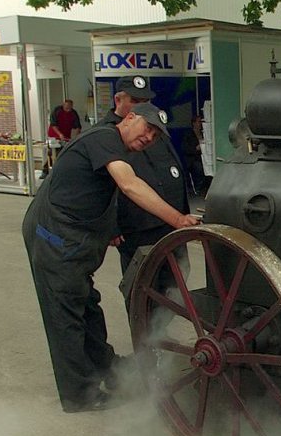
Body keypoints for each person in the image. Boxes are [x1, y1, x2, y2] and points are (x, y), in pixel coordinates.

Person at [22, 102, 199, 413]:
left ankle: (108, 370)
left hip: (74, 242)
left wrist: (110, 228)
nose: (149, 139)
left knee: (87, 306)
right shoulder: (105, 138)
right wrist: (178, 219)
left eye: (156, 136)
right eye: (148, 130)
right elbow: (129, 185)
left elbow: (95, 192)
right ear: (129, 118)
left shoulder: (111, 147)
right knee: (65, 315)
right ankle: (79, 394)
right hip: (54, 240)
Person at [99, 76, 190, 277]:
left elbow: (170, 165)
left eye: (144, 101)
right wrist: (111, 226)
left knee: (175, 278)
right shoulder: (105, 134)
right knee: (142, 280)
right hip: (138, 225)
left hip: (169, 221)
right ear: (118, 100)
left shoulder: (152, 126)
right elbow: (106, 186)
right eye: (135, 101)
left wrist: (182, 212)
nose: (141, 106)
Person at [44, 99, 82, 177]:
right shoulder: (57, 111)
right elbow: (53, 125)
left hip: (66, 136)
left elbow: (78, 126)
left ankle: (61, 171)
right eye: (66, 108)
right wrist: (60, 134)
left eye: (70, 108)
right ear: (63, 105)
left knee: (64, 152)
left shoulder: (73, 113)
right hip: (54, 135)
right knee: (53, 153)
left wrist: (76, 137)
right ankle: (45, 171)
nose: (68, 110)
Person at [180, 114, 209, 196]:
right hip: (193, 158)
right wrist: (196, 149)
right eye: (199, 122)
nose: (200, 124)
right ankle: (199, 188)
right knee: (198, 167)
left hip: (205, 157)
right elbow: (184, 148)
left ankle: (207, 188)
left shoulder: (205, 134)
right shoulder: (188, 135)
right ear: (194, 123)